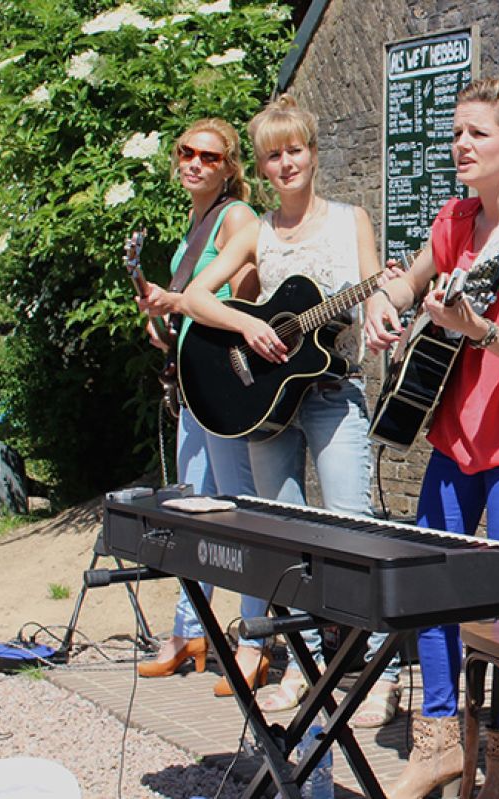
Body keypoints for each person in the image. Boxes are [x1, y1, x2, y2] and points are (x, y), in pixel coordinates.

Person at [363, 76, 499, 799]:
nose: (460, 144)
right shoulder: (454, 220)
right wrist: (381, 308)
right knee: (430, 586)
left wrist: (476, 329)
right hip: (456, 434)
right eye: (457, 132)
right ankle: (437, 743)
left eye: (477, 133)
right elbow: (405, 284)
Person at [180, 95, 401, 727]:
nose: (285, 164)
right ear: (262, 164)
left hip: (331, 395)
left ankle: (365, 675)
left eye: (294, 150)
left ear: (312, 151)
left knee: (351, 531)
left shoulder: (349, 219)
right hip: (266, 404)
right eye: (273, 156)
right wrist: (246, 330)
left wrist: (384, 307)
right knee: (280, 534)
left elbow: (378, 284)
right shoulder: (257, 231)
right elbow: (196, 297)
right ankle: (307, 670)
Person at [133, 118, 272, 697]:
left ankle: (254, 642)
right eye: (187, 153)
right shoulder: (195, 221)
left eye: (209, 157)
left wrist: (196, 311)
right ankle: (190, 631)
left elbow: (249, 284)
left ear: (229, 167)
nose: (195, 163)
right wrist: (164, 325)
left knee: (237, 507)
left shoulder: (237, 216)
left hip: (222, 384)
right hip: (191, 383)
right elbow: (190, 304)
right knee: (193, 505)